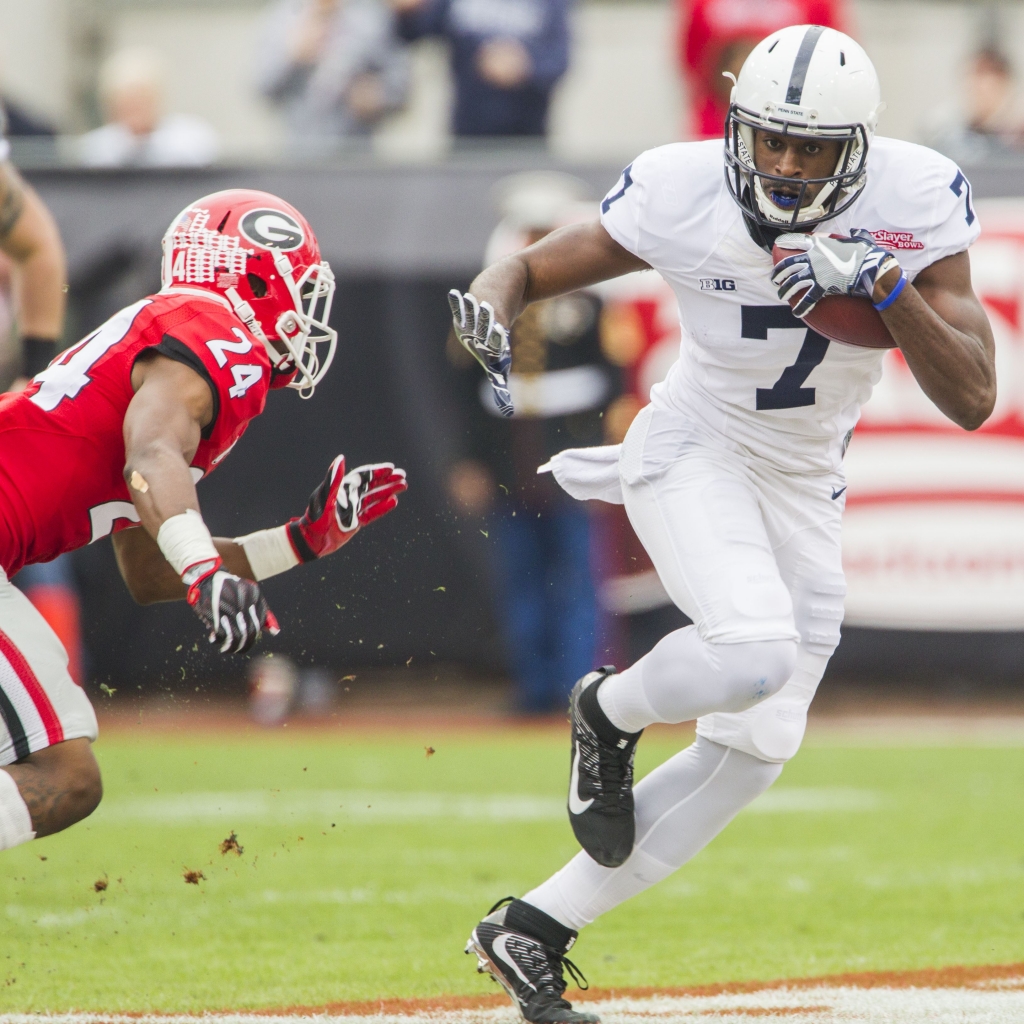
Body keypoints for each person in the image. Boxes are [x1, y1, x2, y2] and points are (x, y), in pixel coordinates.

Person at [448, 25, 994, 1023]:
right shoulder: (681, 185)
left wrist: (885, 287)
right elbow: (536, 266)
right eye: (768, 138)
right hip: (693, 446)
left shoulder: (915, 196)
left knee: (751, 750)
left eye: (810, 147)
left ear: (858, 149)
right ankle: (607, 710)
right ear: (738, 124)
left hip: (802, 482)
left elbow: (972, 394)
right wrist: (494, 287)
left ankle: (532, 924)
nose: (783, 165)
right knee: (749, 649)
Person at [0, 188, 407, 852]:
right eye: (300, 287)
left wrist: (297, 543)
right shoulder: (219, 334)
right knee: (65, 777)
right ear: (251, 275)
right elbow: (152, 452)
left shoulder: (176, 337)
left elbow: (148, 569)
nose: (307, 311)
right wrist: (206, 573)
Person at [447, 172, 620, 713]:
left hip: (571, 458)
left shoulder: (591, 304)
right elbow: (465, 387)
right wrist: (470, 461)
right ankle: (533, 688)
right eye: (529, 234)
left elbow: (612, 381)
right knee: (521, 580)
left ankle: (578, 688)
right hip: (507, 459)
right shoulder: (488, 304)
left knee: (576, 579)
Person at [394, 0, 570, 140]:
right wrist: (406, 13)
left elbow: (559, 59)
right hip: (468, 130)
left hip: (526, 133)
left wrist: (524, 67)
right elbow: (417, 31)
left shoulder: (549, 3)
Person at [679, 0, 847, 140]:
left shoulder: (816, 4)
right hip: (718, 117)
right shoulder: (703, 4)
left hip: (795, 117)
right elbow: (692, 59)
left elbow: (831, 59)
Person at [257, 0, 411, 153]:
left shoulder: (371, 18)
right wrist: (292, 57)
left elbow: (402, 85)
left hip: (357, 155)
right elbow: (261, 86)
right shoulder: (285, 16)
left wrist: (378, 96)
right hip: (298, 154)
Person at [77, 47, 219, 168]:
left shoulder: (191, 141)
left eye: (141, 98)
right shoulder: (94, 150)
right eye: (125, 101)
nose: (133, 108)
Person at [926, 46, 1024, 165]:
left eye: (993, 78)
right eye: (978, 74)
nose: (983, 86)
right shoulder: (942, 135)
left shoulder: (1017, 140)